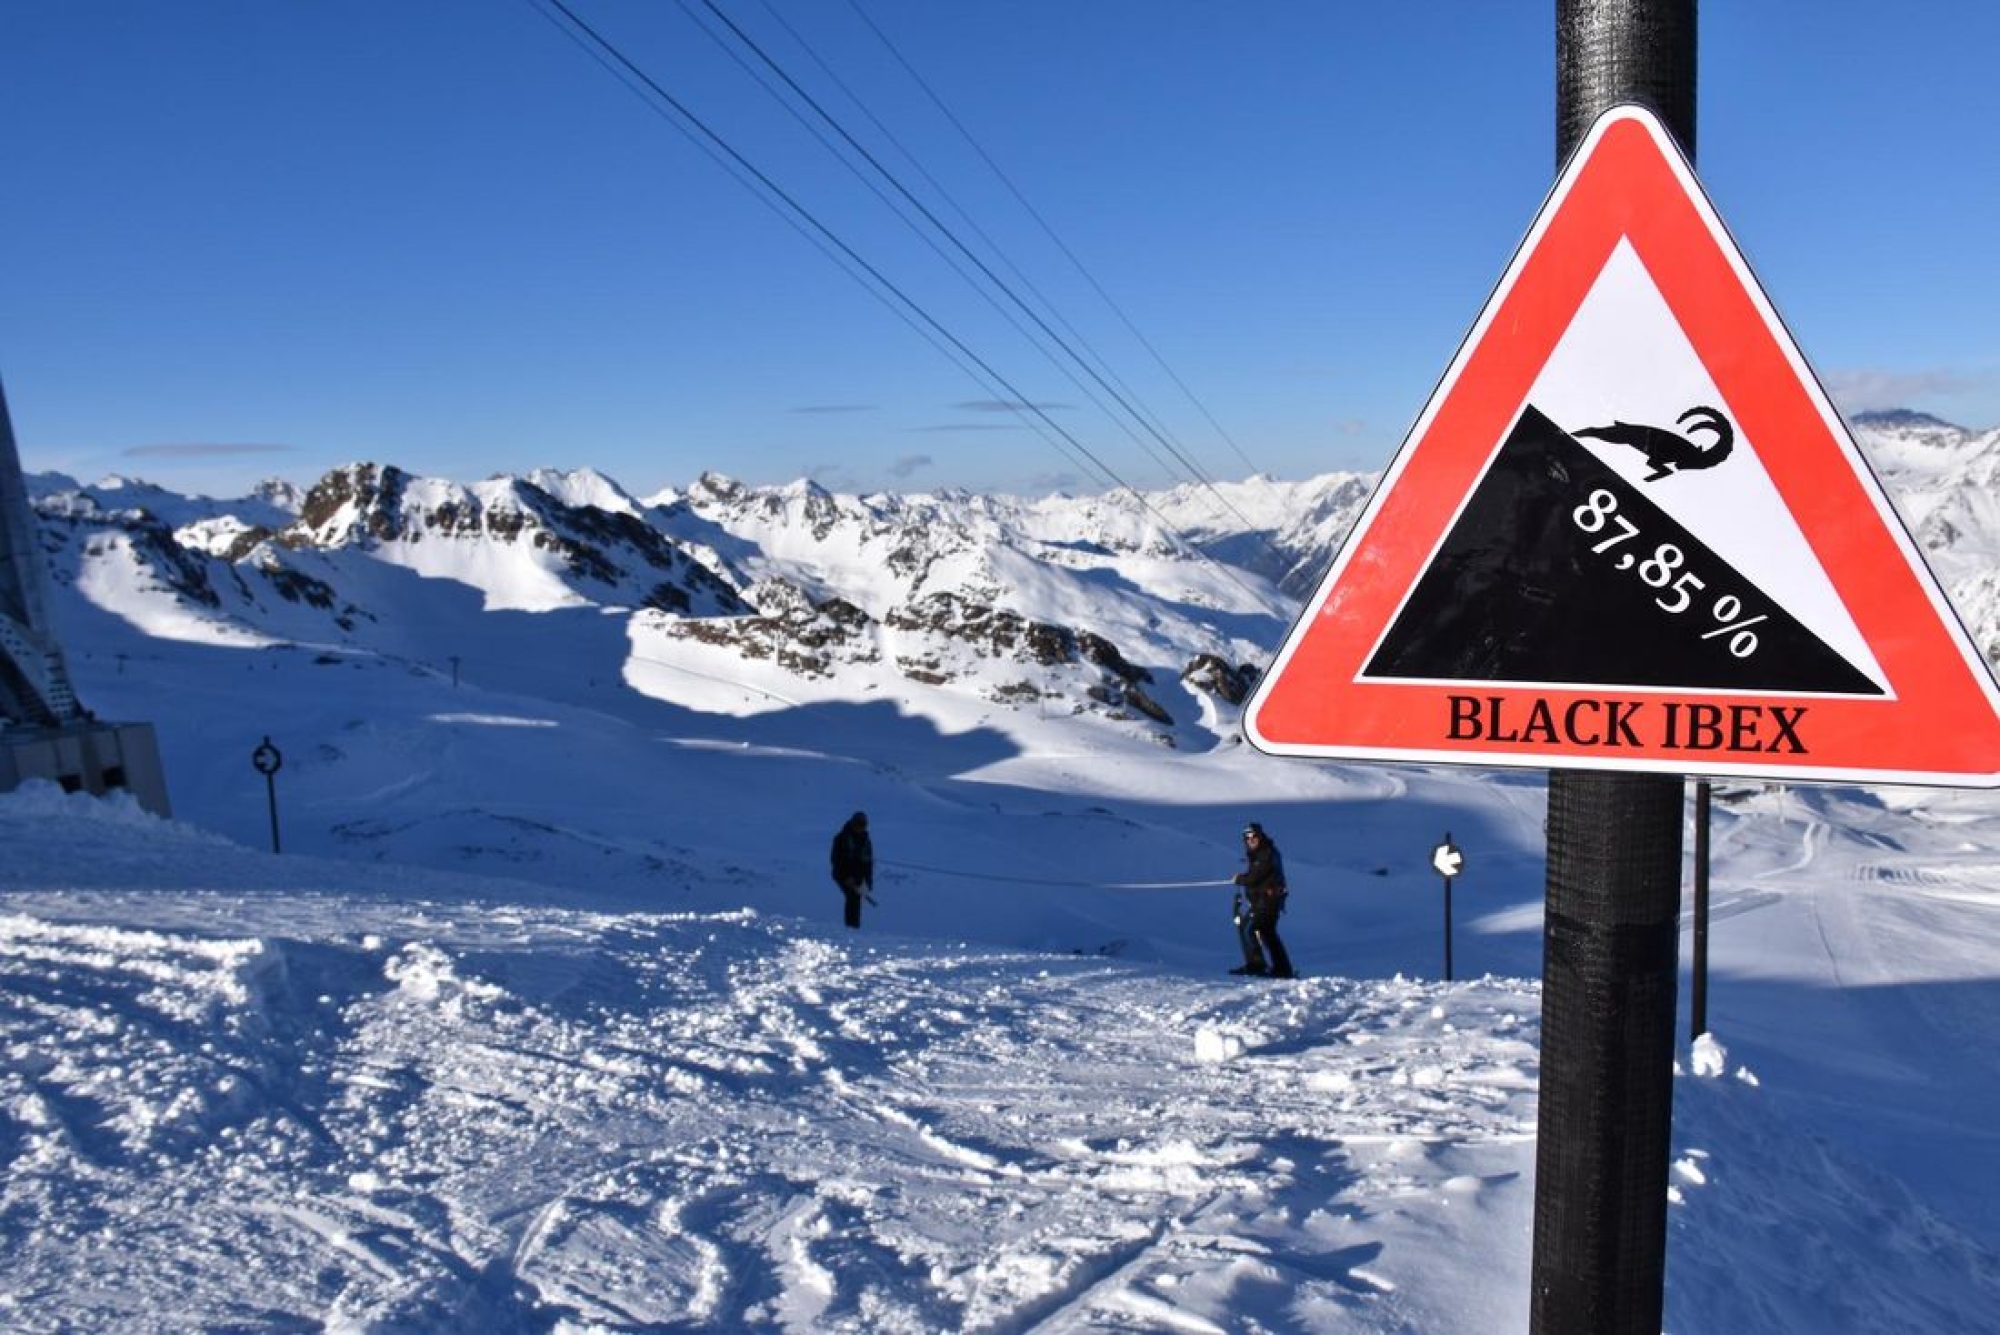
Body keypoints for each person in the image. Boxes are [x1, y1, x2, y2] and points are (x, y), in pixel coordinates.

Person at [1231, 821, 1295, 978]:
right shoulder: (1260, 853)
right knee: (1267, 933)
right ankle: (1281, 968)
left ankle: (1258, 965)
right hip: (1266, 900)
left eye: (1253, 836)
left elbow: (1256, 876)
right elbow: (1257, 876)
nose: (1250, 840)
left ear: (1260, 836)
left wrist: (1240, 879)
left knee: (1252, 929)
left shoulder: (1265, 853)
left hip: (1268, 900)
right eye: (1247, 837)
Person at [830, 811, 874, 929]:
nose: (860, 828)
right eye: (859, 825)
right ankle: (851, 927)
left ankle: (854, 926)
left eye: (863, 826)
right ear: (853, 824)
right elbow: (836, 860)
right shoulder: (841, 838)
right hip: (842, 874)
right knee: (853, 896)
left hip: (857, 875)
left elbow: (868, 863)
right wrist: (845, 877)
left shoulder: (866, 841)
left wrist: (868, 882)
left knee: (856, 898)